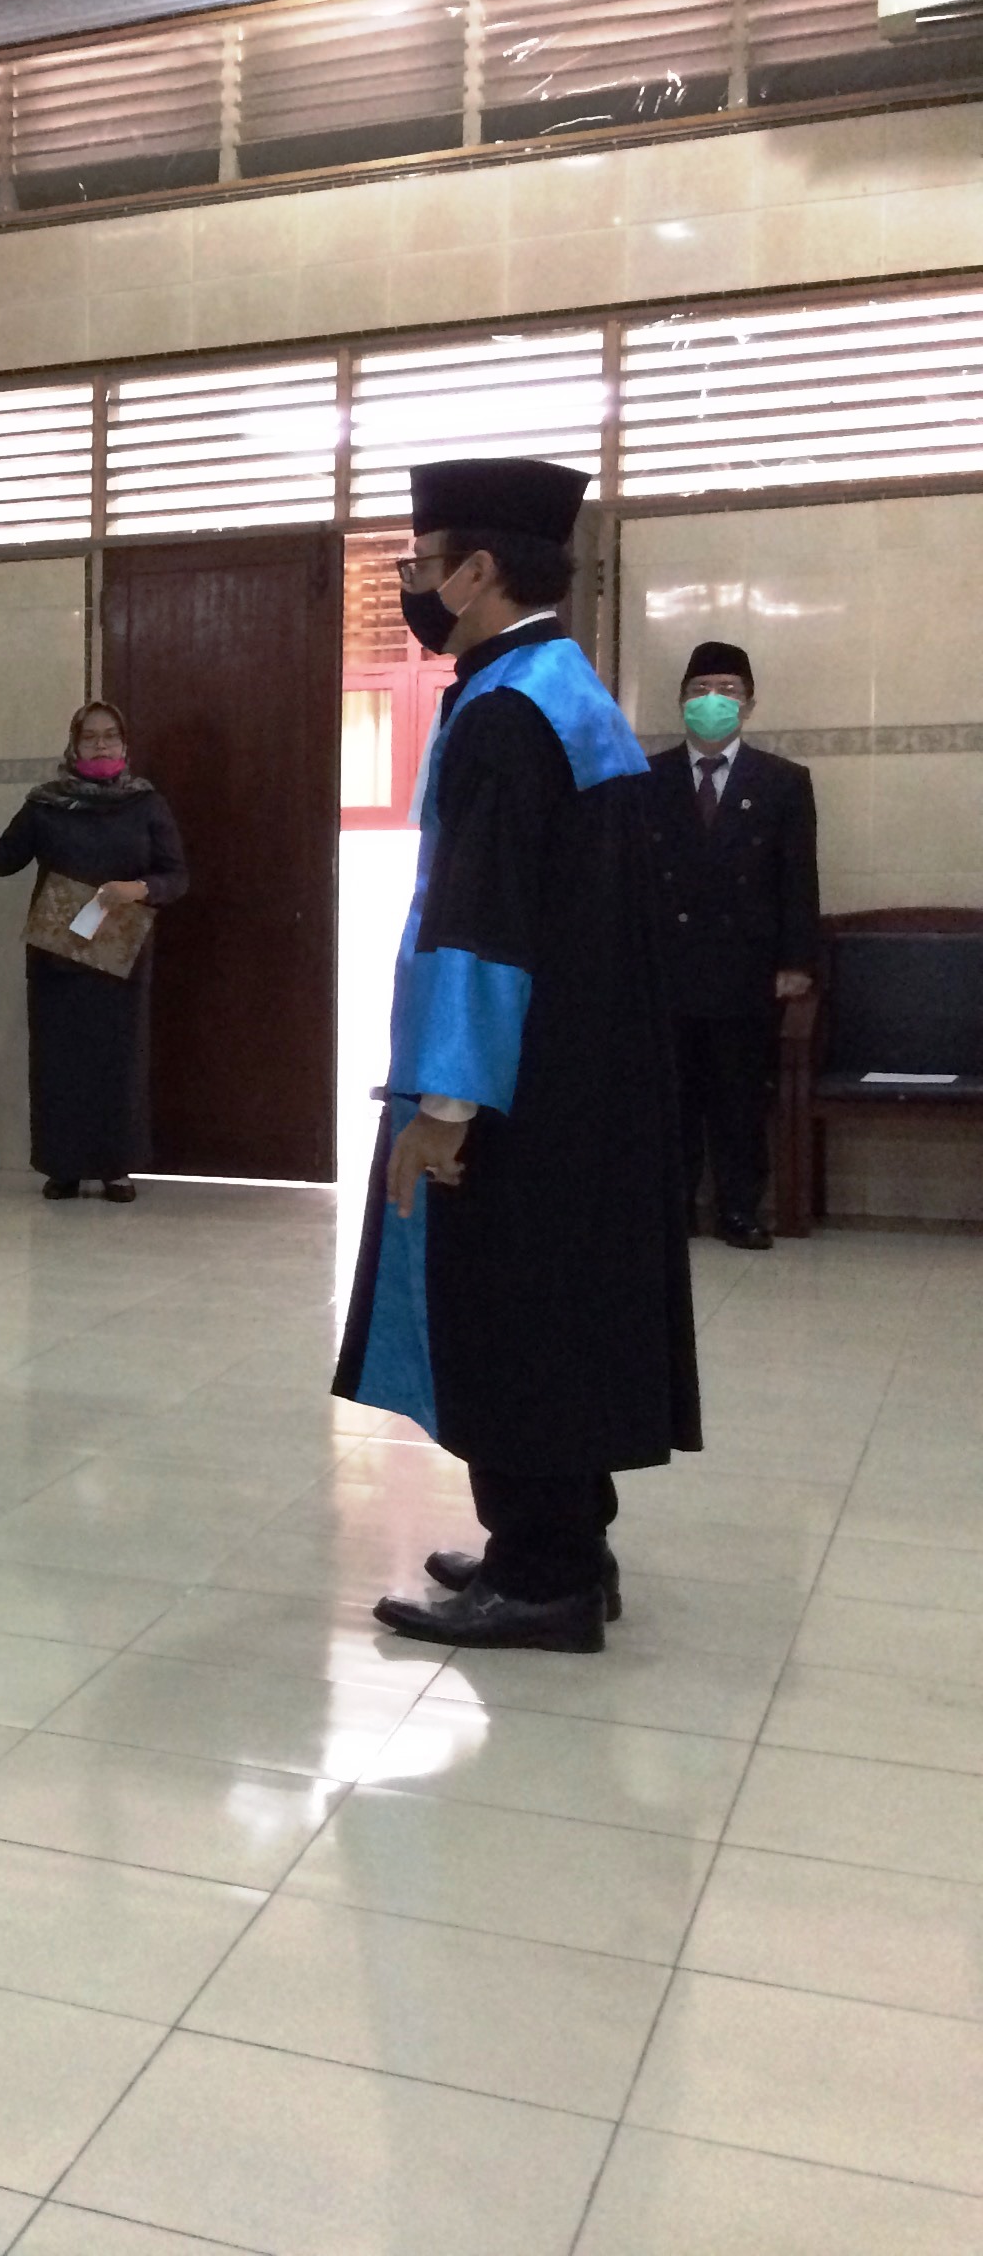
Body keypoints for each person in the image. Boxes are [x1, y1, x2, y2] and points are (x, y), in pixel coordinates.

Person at [340, 459, 699, 1653]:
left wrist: (448, 1099)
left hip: (518, 1084)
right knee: (563, 1301)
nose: (414, 582)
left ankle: (542, 1576)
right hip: (584, 1074)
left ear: (478, 571)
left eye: (424, 562)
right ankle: (563, 1544)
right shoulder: (565, 688)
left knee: (512, 1307)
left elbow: (481, 922)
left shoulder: (505, 713)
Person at [0, 702, 187, 1202]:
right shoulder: (47, 804)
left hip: (121, 957)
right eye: (90, 737)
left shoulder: (146, 804)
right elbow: (4, 860)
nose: (101, 745)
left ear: (124, 743)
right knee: (58, 1063)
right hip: (57, 957)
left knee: (118, 1062)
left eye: (110, 736)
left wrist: (139, 889)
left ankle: (116, 1168)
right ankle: (61, 1166)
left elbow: (176, 876)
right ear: (74, 745)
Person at [644, 639, 818, 1250]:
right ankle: (674, 1209)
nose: (712, 700)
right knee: (672, 1097)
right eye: (700, 690)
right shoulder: (646, 779)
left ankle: (740, 1209)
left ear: (749, 703)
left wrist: (797, 961)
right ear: (681, 701)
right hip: (668, 965)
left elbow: (798, 878)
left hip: (746, 965)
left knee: (739, 1096)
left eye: (727, 690)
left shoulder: (783, 782)